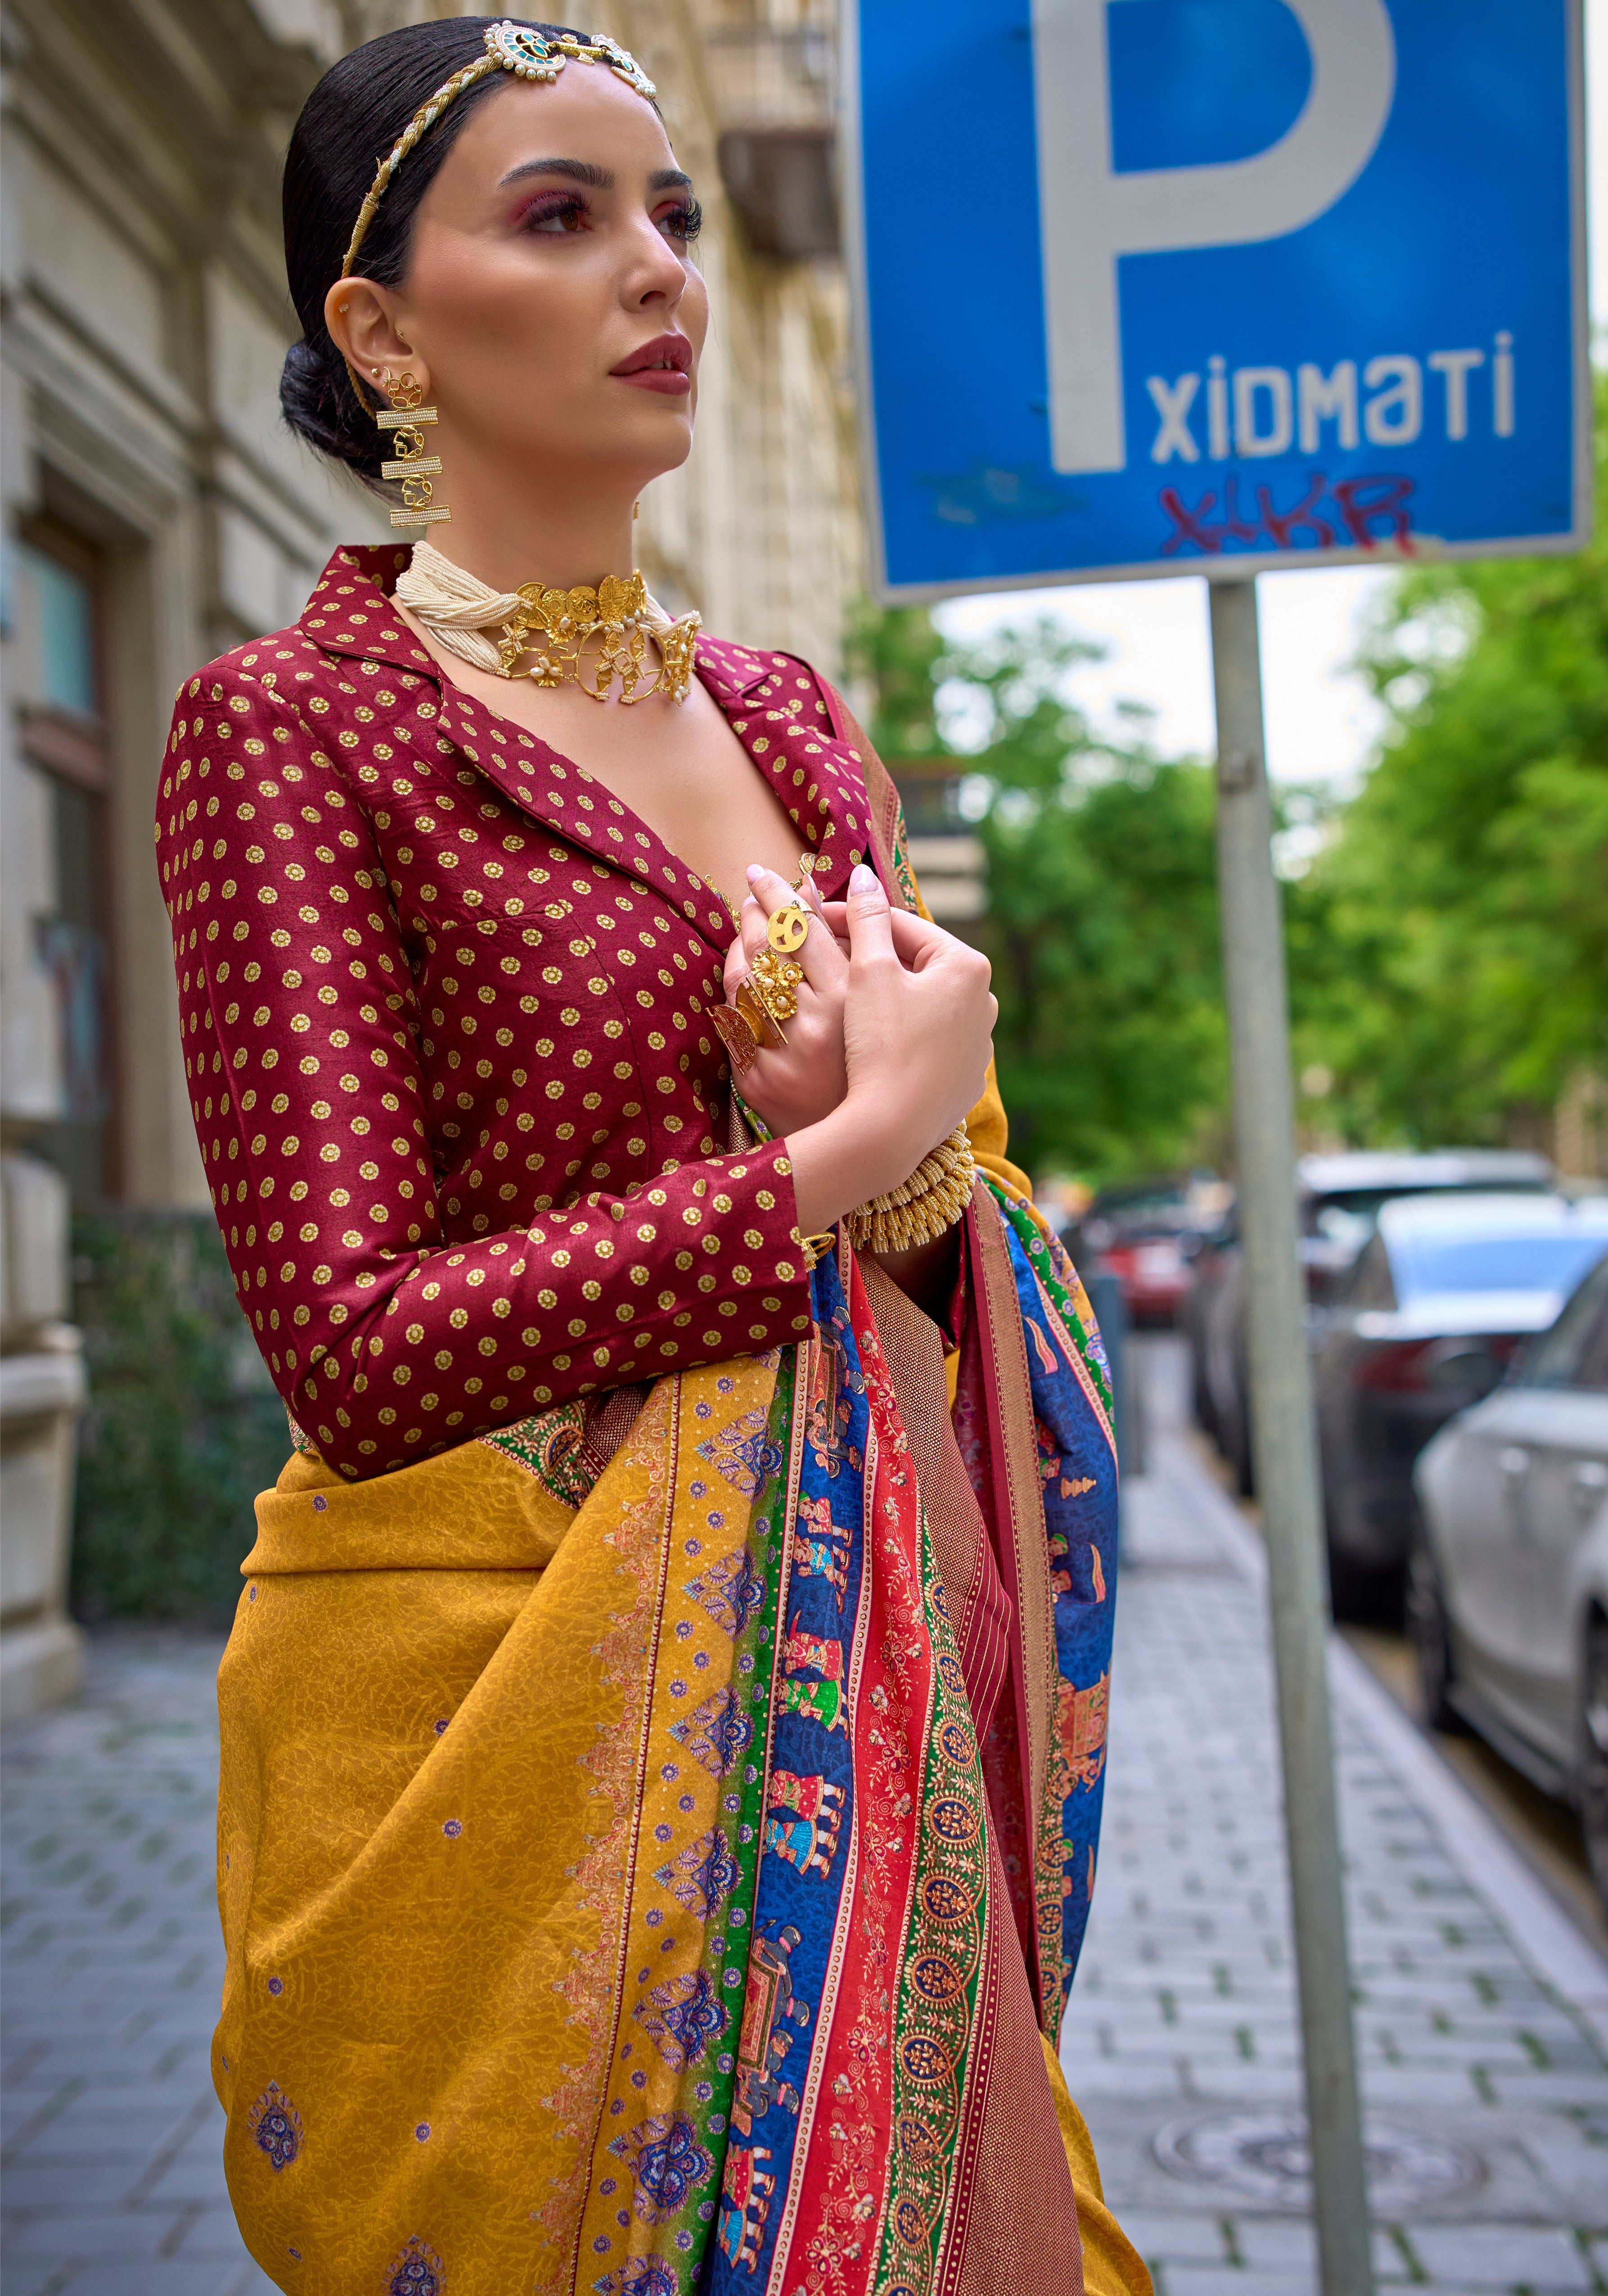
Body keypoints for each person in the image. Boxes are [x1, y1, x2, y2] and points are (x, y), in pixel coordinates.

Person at [154, 19, 1149, 2294]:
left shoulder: (795, 718)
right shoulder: (293, 728)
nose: (660, 274)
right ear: (382, 329)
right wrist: (836, 1159)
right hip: (491, 1729)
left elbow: (922, 1248)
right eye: (562, 217)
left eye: (675, 218)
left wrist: (920, 1181)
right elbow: (355, 1344)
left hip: (850, 1668)